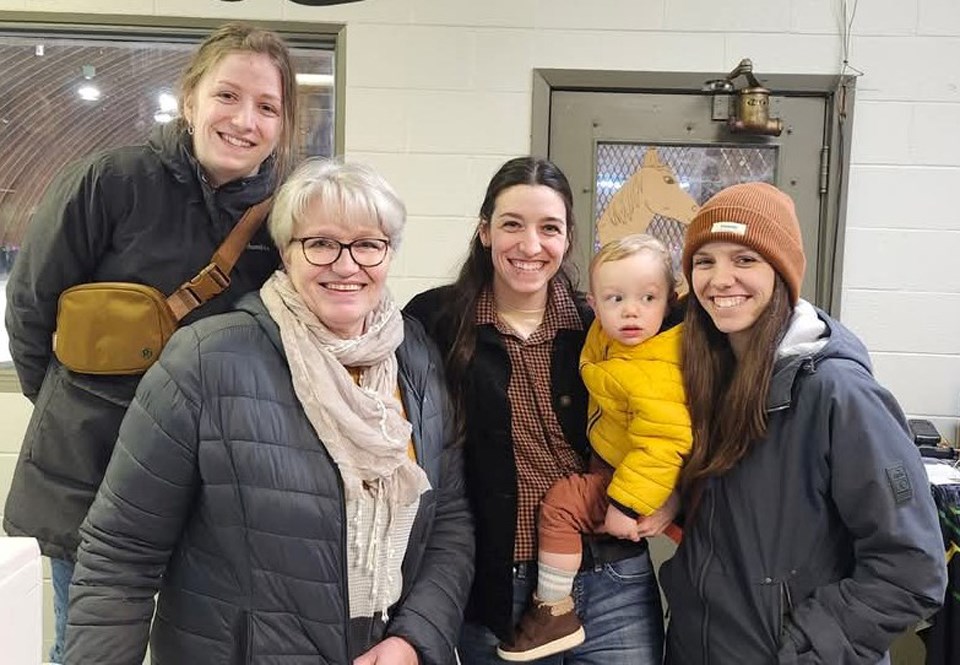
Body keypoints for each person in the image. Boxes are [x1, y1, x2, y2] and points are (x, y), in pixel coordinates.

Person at [63, 158, 474, 664]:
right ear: (285, 251)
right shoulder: (206, 361)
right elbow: (120, 555)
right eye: (320, 243)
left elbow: (449, 523)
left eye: (368, 244)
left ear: (389, 253)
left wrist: (414, 639)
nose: (346, 266)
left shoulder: (416, 358)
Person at [3, 23, 299, 662]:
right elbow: (30, 312)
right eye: (227, 96)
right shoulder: (108, 181)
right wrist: (76, 405)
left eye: (267, 106)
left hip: (215, 491)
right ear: (190, 99)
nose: (244, 120)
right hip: (90, 473)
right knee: (90, 649)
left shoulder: (285, 221)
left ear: (283, 122)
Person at [659, 182, 948, 664]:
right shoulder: (702, 378)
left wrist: (807, 649)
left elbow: (912, 568)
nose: (720, 279)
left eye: (745, 260)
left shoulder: (837, 391)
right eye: (704, 262)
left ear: (782, 272)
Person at [405, 157, 664, 665]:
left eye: (549, 228)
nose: (530, 245)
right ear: (484, 231)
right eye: (511, 225)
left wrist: (671, 500)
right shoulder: (436, 321)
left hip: (614, 579)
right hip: (500, 589)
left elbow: (671, 412)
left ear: (567, 239)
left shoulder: (600, 325)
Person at [497, 234, 691, 661]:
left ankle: (553, 608)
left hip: (630, 484)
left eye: (648, 298)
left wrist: (626, 502)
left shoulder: (657, 366)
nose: (631, 311)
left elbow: (664, 441)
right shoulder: (609, 338)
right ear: (594, 304)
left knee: (563, 502)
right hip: (613, 466)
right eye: (615, 298)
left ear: (670, 302)